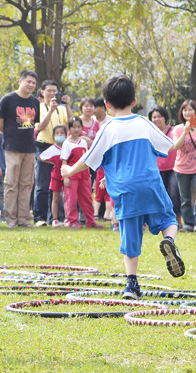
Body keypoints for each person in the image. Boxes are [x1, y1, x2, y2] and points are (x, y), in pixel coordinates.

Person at [62, 74, 184, 301]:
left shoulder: (107, 129)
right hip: (150, 184)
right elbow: (168, 146)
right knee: (169, 220)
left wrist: (69, 171)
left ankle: (131, 285)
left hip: (125, 191)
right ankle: (169, 240)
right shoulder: (143, 123)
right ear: (134, 101)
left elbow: (89, 158)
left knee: (130, 237)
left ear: (106, 104)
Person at [0, 70, 40, 228]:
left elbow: (36, 124)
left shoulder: (35, 102)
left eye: (33, 83)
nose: (31, 85)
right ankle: (11, 219)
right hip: (12, 147)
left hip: (29, 147)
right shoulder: (8, 99)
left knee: (26, 184)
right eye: (28, 81)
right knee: (11, 183)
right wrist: (9, 133)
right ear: (20, 81)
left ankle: (24, 219)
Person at [34, 80, 72, 227]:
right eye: (49, 91)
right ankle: (40, 217)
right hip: (44, 146)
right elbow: (40, 127)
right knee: (42, 184)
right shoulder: (39, 107)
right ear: (42, 92)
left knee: (59, 184)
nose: (52, 94)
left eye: (55, 91)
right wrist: (50, 110)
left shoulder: (61, 109)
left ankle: (56, 218)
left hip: (60, 147)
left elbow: (71, 123)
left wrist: (67, 105)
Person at [170, 100, 196, 232]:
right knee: (185, 198)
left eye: (190, 109)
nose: (187, 112)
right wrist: (185, 132)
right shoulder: (177, 129)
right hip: (182, 168)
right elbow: (176, 146)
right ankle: (188, 223)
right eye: (185, 110)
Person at [61, 116, 100, 229]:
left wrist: (88, 175)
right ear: (69, 128)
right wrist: (66, 177)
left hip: (83, 175)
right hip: (71, 175)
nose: (76, 129)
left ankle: (90, 221)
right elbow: (64, 161)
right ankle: (71, 221)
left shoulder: (83, 142)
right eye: (74, 127)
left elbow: (86, 161)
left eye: (79, 127)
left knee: (87, 198)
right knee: (71, 199)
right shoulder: (67, 143)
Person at [149, 107, 181, 226]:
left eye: (159, 116)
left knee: (174, 194)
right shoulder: (150, 133)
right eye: (154, 117)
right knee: (158, 195)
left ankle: (178, 221)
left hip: (173, 168)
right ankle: (159, 221)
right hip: (157, 169)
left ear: (165, 118)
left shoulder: (173, 131)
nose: (157, 119)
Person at [37, 125, 67, 227]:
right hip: (56, 175)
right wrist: (53, 162)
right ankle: (55, 219)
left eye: (62, 133)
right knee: (55, 198)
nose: (59, 135)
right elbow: (40, 157)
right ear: (53, 136)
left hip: (66, 174)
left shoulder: (68, 147)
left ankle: (68, 219)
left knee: (66, 197)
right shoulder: (52, 149)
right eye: (57, 133)